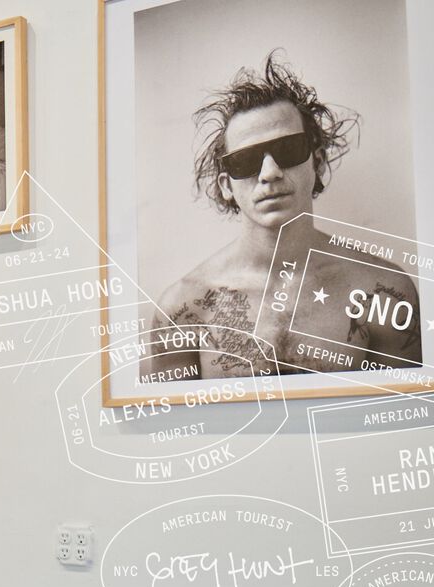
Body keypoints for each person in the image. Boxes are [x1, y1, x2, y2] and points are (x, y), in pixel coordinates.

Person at [145, 54, 420, 381]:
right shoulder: (184, 307)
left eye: (288, 150)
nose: (270, 173)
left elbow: (403, 423)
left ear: (316, 163)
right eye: (246, 160)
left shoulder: (384, 292)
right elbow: (180, 430)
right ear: (226, 186)